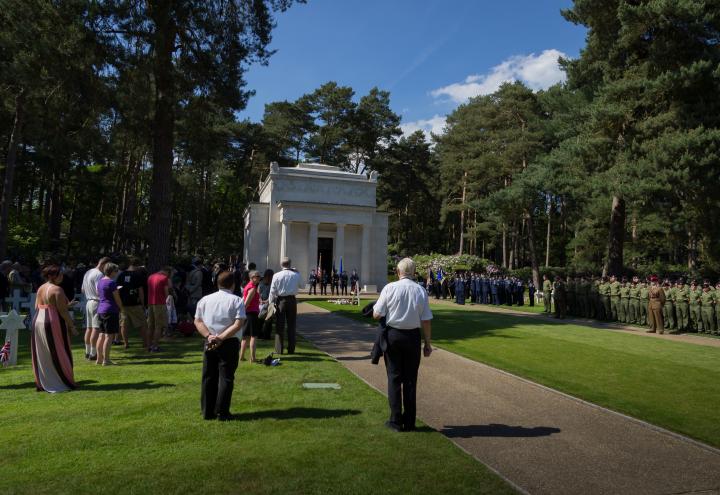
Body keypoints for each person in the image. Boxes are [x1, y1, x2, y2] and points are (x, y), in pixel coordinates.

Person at [373, 258, 432, 432]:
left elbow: (377, 314)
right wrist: (427, 343)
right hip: (413, 337)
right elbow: (426, 320)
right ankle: (410, 421)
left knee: (394, 377)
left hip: (393, 336)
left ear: (398, 272)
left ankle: (396, 421)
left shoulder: (389, 288)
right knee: (411, 380)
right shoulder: (420, 290)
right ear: (413, 273)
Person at [194, 271, 246, 420]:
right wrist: (221, 337)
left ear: (217, 283)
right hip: (228, 341)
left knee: (209, 376)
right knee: (226, 377)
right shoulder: (237, 300)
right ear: (233, 284)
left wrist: (209, 336)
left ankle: (207, 411)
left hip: (210, 340)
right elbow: (238, 323)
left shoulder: (205, 299)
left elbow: (197, 321)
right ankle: (223, 412)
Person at [31, 265, 78, 392]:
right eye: (60, 274)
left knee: (42, 352)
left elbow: (38, 305)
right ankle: (62, 380)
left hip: (38, 320)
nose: (62, 276)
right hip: (52, 322)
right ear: (53, 276)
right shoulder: (57, 289)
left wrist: (66, 305)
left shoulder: (41, 288)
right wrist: (72, 326)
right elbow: (62, 311)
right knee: (59, 350)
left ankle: (44, 381)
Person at [268, 257, 302, 354]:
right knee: (292, 325)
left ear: (281, 264)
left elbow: (272, 291)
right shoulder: (296, 274)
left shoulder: (276, 275)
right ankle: (291, 349)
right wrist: (298, 273)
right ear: (290, 264)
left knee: (280, 325)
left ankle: (279, 349)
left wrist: (271, 303)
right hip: (292, 300)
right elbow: (303, 286)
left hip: (281, 300)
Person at [81, 257, 110, 360]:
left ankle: (87, 351)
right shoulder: (99, 274)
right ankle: (94, 353)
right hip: (97, 302)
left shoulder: (88, 272)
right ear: (104, 264)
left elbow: (82, 289)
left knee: (89, 328)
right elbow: (99, 291)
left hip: (88, 302)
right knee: (96, 328)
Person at [96, 263, 123, 365]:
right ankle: (106, 360)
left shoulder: (100, 282)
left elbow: (98, 294)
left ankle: (99, 359)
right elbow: (117, 299)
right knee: (109, 336)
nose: (117, 273)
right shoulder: (112, 283)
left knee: (101, 335)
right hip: (111, 310)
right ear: (112, 272)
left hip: (101, 310)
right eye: (116, 271)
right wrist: (121, 308)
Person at [117, 257, 147, 349]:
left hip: (123, 304)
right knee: (142, 324)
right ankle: (145, 343)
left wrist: (119, 303)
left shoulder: (121, 275)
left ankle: (126, 343)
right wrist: (143, 303)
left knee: (124, 325)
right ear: (137, 265)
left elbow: (117, 290)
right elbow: (140, 291)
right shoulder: (138, 275)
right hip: (135, 303)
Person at [147, 267, 171, 353]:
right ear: (166, 272)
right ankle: (155, 346)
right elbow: (166, 292)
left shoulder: (150, 277)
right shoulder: (164, 278)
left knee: (150, 326)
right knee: (158, 326)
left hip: (150, 303)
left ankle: (149, 345)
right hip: (160, 303)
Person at [240, 270, 261, 362]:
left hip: (248, 314)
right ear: (251, 278)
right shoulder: (252, 288)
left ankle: (241, 357)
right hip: (251, 314)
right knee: (253, 336)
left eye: (259, 276)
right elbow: (246, 303)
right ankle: (253, 358)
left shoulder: (247, 287)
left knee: (245, 336)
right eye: (257, 276)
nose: (259, 278)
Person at [258, 269, 274, 340]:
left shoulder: (272, 284)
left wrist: (266, 301)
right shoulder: (260, 283)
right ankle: (259, 334)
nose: (269, 279)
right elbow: (258, 293)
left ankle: (266, 335)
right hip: (261, 304)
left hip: (270, 303)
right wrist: (260, 300)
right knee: (260, 319)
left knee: (268, 320)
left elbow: (273, 294)